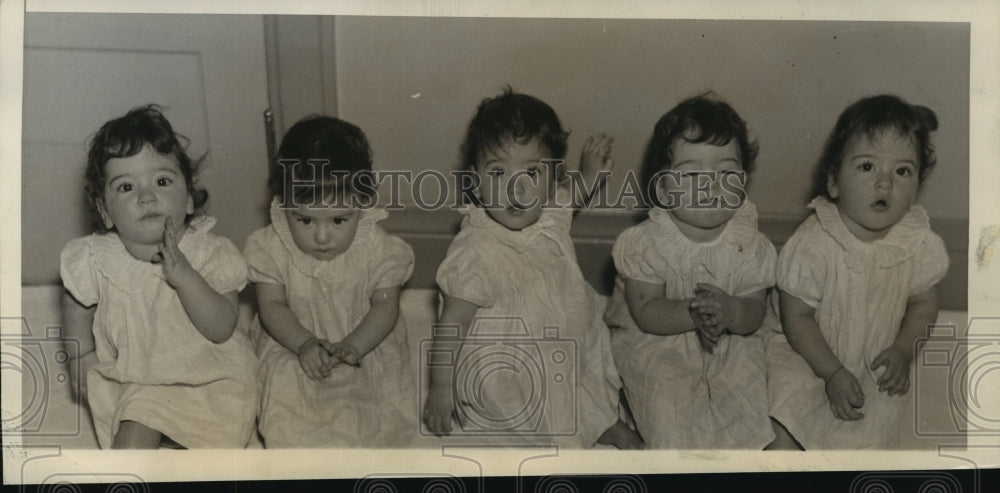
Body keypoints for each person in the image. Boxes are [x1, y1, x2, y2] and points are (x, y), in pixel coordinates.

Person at [421, 87, 640, 448]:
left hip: (562, 332)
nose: (516, 190)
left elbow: (573, 196)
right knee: (531, 418)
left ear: (552, 178)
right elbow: (452, 325)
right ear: (474, 180)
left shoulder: (550, 212)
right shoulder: (476, 249)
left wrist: (589, 173)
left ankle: (600, 421)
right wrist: (440, 386)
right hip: (510, 360)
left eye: (532, 174)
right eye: (498, 174)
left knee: (582, 376)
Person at [60, 104, 258, 448]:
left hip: (210, 378)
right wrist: (80, 357)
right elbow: (76, 305)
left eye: (162, 181)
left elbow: (222, 327)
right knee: (132, 443)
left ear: (189, 201)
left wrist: (186, 277)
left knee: (211, 455)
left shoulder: (211, 253)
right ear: (106, 212)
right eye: (126, 187)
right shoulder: (93, 258)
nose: (147, 196)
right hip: (138, 379)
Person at [766, 94, 948, 449]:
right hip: (807, 353)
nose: (885, 183)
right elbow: (797, 318)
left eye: (902, 171)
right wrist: (831, 372)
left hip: (872, 360)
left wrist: (903, 349)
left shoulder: (918, 243)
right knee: (785, 424)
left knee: (869, 434)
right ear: (833, 182)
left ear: (917, 187)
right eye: (867, 167)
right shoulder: (815, 242)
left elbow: (924, 304)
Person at [604, 93, 777, 449]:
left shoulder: (750, 243)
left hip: (731, 341)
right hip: (660, 339)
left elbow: (755, 311)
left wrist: (732, 311)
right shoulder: (646, 243)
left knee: (751, 402)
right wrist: (693, 312)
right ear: (665, 189)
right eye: (693, 173)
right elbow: (647, 312)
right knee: (667, 407)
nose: (711, 184)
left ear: (742, 183)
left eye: (726, 172)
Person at [244, 115, 417, 447]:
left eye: (339, 219)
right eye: (305, 219)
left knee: (373, 406)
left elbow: (384, 308)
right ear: (282, 204)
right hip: (291, 338)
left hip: (364, 338)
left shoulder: (378, 248)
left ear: (362, 203)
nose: (322, 236)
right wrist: (304, 343)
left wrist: (355, 345)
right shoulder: (270, 247)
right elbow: (272, 306)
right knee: (286, 397)